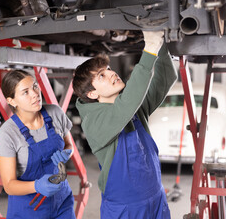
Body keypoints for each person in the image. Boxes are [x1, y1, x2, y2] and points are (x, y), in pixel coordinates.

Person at [72, 31, 177, 218]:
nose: (112, 74)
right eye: (102, 76)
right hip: (125, 209)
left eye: (109, 69)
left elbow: (166, 78)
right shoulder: (94, 122)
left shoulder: (133, 105)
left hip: (156, 199)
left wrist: (160, 45)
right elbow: (123, 108)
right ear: (92, 94)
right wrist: (149, 49)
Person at [0, 69, 75, 219]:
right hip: (29, 209)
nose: (35, 93)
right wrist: (36, 186)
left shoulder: (55, 113)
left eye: (35, 86)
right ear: (11, 101)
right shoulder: (7, 134)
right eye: (25, 92)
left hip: (62, 202)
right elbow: (9, 185)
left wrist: (67, 153)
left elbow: (69, 145)